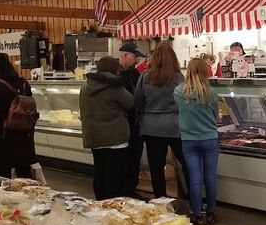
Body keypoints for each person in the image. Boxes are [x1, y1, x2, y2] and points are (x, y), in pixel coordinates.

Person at [135, 43, 187, 199]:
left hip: (151, 127)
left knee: (156, 167)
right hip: (176, 126)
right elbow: (185, 101)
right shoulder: (178, 78)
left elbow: (138, 101)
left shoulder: (145, 77)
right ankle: (194, 201)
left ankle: (160, 202)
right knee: (187, 164)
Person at [80, 56, 134, 200]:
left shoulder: (86, 86)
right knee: (113, 176)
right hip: (114, 138)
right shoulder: (115, 86)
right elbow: (130, 102)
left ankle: (100, 203)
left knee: (99, 171)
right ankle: (112, 206)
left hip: (94, 136)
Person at [0, 53, 37, 178]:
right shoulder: (24, 83)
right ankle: (29, 197)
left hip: (3, 138)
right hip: (23, 136)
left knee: (4, 179)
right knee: (25, 177)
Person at [174, 57, 220, 225]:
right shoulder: (211, 93)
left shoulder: (179, 92)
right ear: (205, 72)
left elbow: (179, 110)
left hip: (188, 140)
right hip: (209, 139)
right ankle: (211, 213)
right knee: (210, 177)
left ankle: (196, 213)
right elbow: (215, 116)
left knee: (194, 178)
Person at [118, 41, 146, 197]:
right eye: (134, 57)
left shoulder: (135, 74)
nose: (136, 60)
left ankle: (131, 189)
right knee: (125, 160)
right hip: (123, 125)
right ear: (124, 55)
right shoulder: (115, 74)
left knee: (135, 159)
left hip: (136, 125)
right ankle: (123, 191)